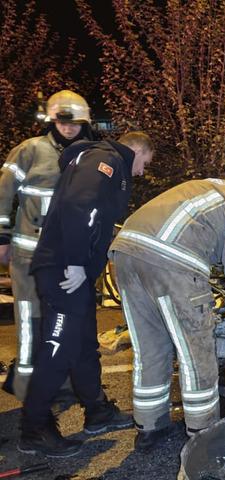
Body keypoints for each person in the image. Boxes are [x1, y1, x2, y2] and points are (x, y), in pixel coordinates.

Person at [108, 170, 225, 452]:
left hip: (126, 254)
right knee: (197, 353)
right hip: (170, 263)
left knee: (150, 349)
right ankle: (205, 435)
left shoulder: (213, 188)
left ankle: (150, 428)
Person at [19, 131, 154, 458]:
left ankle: (97, 411)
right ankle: (33, 429)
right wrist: (78, 262)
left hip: (70, 270)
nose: (142, 172)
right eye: (145, 163)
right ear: (136, 149)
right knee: (58, 348)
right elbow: (80, 206)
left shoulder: (95, 159)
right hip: (66, 269)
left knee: (82, 345)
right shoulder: (106, 160)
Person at [0, 90, 95, 401]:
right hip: (28, 255)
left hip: (64, 257)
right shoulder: (30, 151)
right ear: (52, 121)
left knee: (60, 321)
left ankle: (59, 383)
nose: (68, 129)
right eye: (63, 123)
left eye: (75, 124)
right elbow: (3, 192)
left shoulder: (85, 156)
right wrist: (2, 237)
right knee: (30, 319)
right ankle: (26, 388)